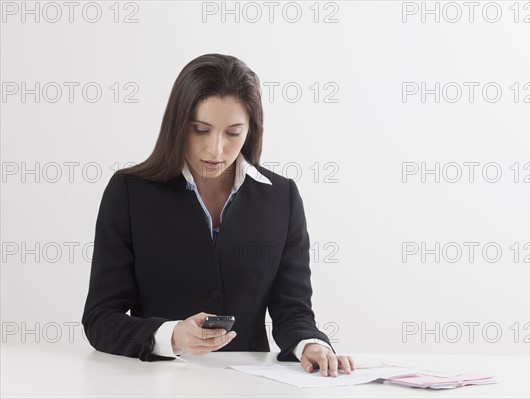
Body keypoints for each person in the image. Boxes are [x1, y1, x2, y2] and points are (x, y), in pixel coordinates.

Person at [81, 53, 355, 377]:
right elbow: (100, 319)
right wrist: (172, 335)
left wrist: (312, 345)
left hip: (250, 384)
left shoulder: (282, 198)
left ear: (251, 130)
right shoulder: (129, 192)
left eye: (233, 132)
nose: (215, 149)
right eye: (201, 129)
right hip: (154, 382)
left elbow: (292, 311)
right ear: (178, 123)